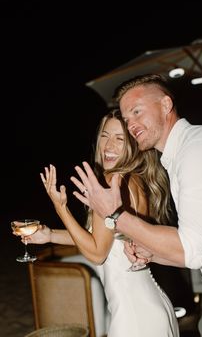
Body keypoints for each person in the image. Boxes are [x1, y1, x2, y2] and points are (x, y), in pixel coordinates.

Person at [70, 74, 202, 337]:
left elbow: (191, 250)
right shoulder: (177, 158)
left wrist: (114, 214)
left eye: (137, 111)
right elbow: (195, 252)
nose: (131, 123)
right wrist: (152, 253)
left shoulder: (200, 150)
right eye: (126, 118)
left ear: (166, 104)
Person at [14, 109, 179, 337]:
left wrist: (61, 208)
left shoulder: (113, 182)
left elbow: (97, 253)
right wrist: (50, 234)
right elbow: (103, 241)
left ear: (133, 144)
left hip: (134, 316)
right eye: (104, 135)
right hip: (149, 306)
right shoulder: (134, 180)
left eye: (119, 138)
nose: (108, 145)